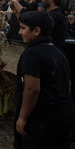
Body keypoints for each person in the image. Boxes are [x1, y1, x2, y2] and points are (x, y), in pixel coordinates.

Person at [14, 11, 74, 148]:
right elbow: (68, 85)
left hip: (42, 119)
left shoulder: (32, 53)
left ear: (36, 31)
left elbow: (32, 89)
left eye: (23, 28)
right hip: (64, 116)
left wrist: (22, 118)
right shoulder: (58, 53)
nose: (19, 32)